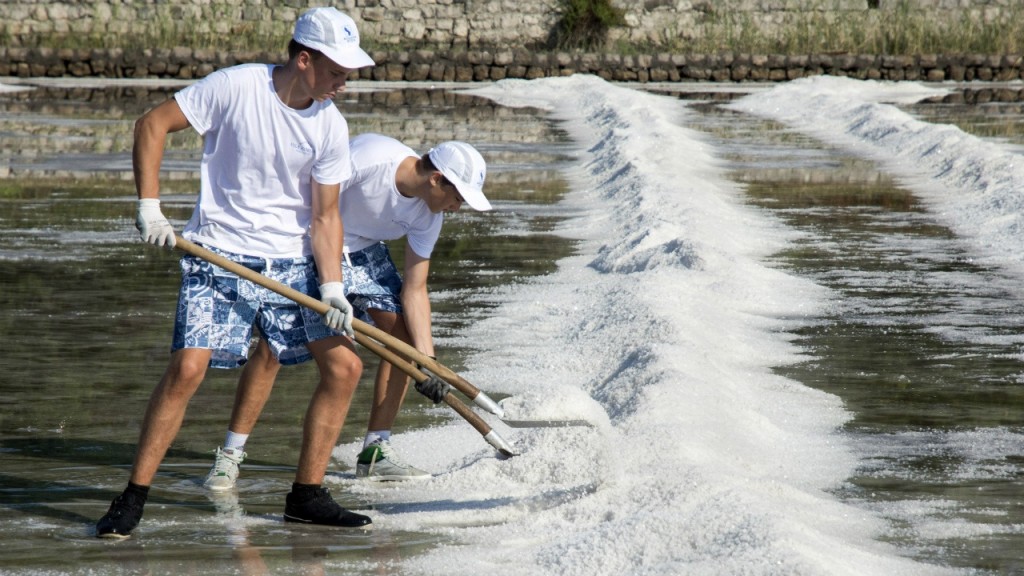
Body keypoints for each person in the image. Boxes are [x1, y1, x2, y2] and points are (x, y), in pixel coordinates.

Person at [95, 7, 376, 539]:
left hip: (291, 265)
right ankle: (132, 498)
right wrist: (149, 206)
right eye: (338, 71)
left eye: (349, 73)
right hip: (217, 254)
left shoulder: (331, 126)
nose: (345, 82)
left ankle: (307, 495)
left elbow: (325, 217)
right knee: (188, 370)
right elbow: (152, 125)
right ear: (304, 58)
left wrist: (333, 285)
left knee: (345, 369)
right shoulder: (236, 87)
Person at [202, 132, 491, 489]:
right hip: (307, 243)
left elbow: (415, 290)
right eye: (457, 197)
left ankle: (376, 450)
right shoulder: (371, 159)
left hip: (365, 253)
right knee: (275, 346)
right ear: (436, 179)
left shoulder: (429, 215)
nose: (456, 208)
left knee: (402, 338)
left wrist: (427, 362)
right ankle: (230, 455)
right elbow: (310, 203)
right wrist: (330, 285)